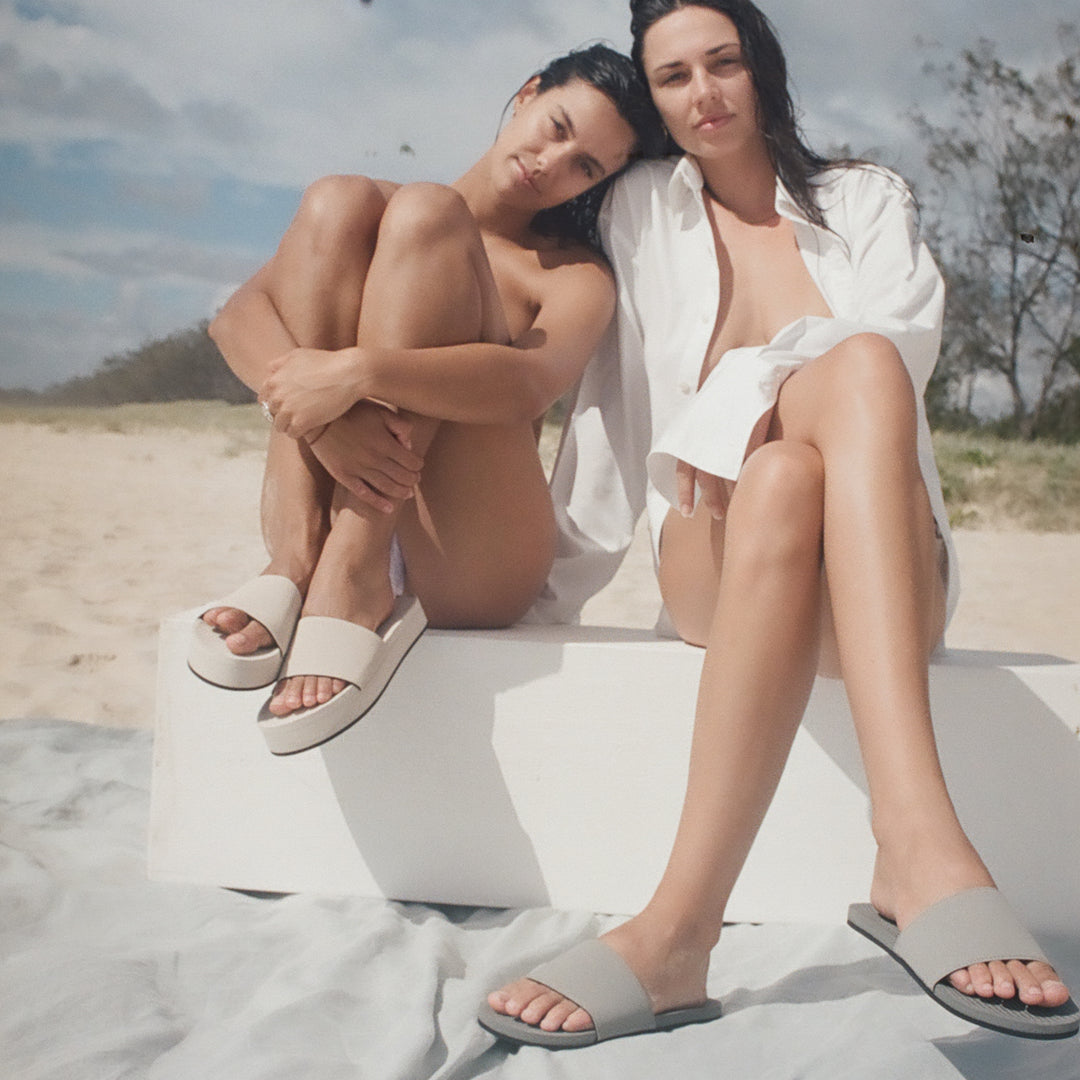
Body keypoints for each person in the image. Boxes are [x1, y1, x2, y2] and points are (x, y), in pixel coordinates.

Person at [480, 0, 1078, 1046]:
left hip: (883, 570)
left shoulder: (866, 199)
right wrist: (534, 600)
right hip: (717, 567)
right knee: (787, 461)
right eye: (674, 77)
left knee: (821, 428)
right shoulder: (637, 216)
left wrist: (746, 387)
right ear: (656, 100)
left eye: (724, 63)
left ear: (762, 67)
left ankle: (678, 933)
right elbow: (613, 419)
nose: (705, 94)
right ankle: (916, 848)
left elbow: (896, 348)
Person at [187, 44, 666, 755]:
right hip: (325, 494)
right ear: (529, 93)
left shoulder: (570, 273)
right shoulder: (363, 216)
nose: (553, 163)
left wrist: (358, 372)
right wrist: (325, 428)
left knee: (427, 213)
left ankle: (352, 573)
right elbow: (236, 319)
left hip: (470, 551)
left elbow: (527, 386)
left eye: (585, 167)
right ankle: (296, 558)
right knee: (338, 197)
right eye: (558, 127)